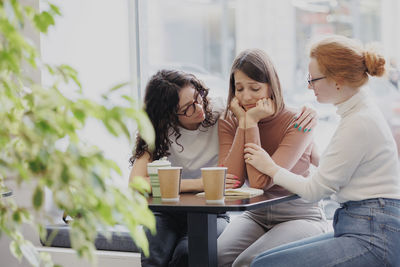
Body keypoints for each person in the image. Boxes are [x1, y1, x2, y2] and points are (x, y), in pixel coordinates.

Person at [246, 35, 400, 267]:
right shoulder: (358, 113)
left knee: (263, 265)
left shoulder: (358, 122)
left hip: (374, 234)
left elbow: (315, 190)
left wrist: (269, 167)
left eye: (313, 79)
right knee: (260, 261)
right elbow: (335, 171)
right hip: (366, 224)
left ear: (337, 81)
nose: (309, 86)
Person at [217, 48, 330, 267]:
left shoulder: (299, 121)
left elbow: (262, 182)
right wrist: (245, 123)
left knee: (249, 262)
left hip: (301, 216)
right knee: (217, 256)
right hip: (255, 215)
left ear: (272, 86)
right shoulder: (230, 120)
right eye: (239, 88)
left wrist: (250, 123)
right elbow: (230, 180)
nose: (246, 96)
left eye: (255, 88)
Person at [129, 69, 231, 267]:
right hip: (167, 212)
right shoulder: (159, 130)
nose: (199, 107)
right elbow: (136, 183)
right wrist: (199, 184)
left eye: (197, 96)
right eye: (188, 108)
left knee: (187, 254)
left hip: (211, 213)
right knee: (153, 255)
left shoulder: (220, 110)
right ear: (169, 115)